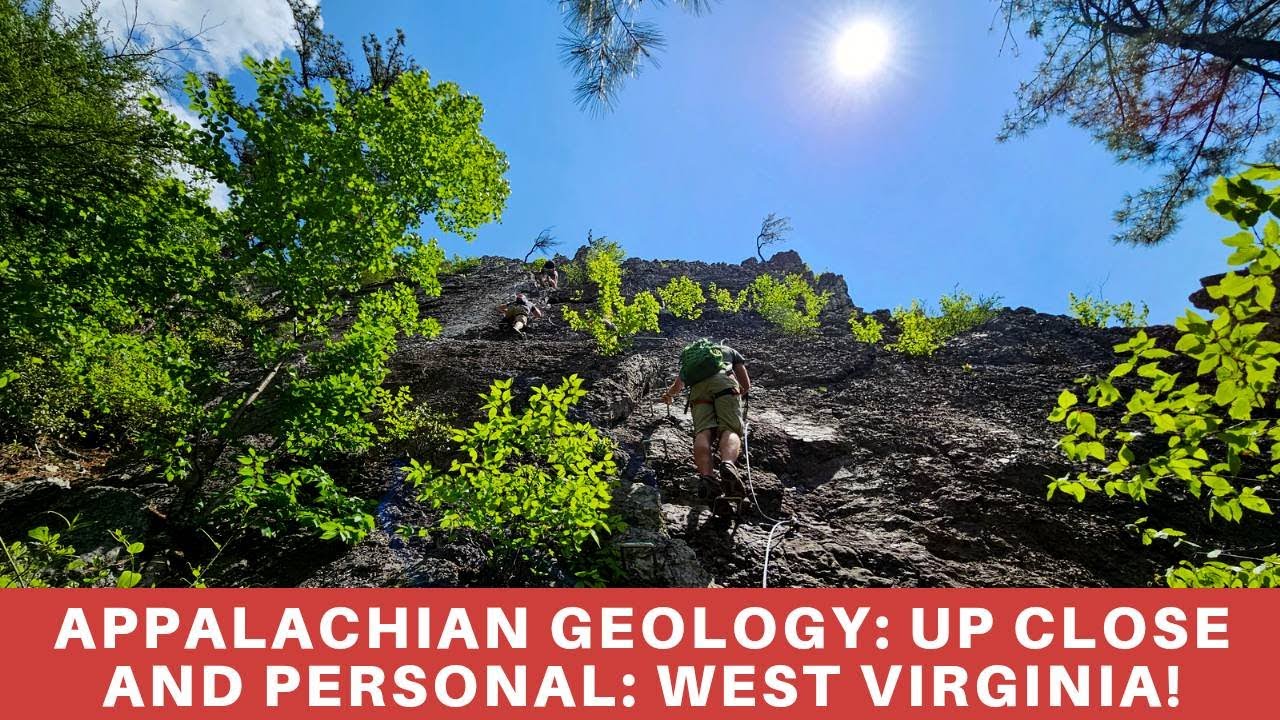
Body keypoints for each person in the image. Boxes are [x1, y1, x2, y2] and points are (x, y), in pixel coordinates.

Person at [661, 339, 752, 506]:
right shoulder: (729, 351)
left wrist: (668, 396)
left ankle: (707, 477)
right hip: (724, 384)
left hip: (698, 391)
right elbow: (746, 384)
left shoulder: (693, 359)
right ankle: (728, 465)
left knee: (703, 431)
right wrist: (735, 396)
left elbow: (678, 385)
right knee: (730, 429)